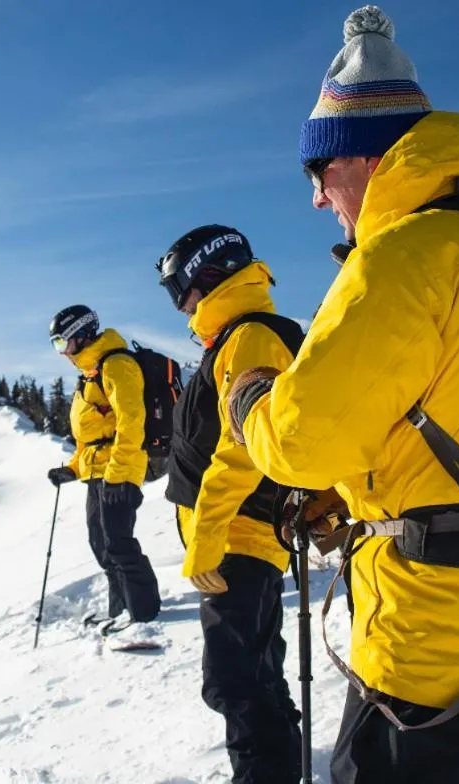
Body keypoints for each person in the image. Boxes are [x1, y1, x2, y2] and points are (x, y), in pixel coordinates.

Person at [225, 5, 459, 783]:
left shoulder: (407, 254)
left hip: (435, 648)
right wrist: (362, 497)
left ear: (363, 158)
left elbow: (300, 443)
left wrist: (250, 399)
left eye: (321, 174)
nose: (320, 200)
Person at [157, 225, 305, 783]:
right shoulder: (234, 338)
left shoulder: (251, 338)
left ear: (207, 275)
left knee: (234, 680)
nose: (180, 306)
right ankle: (276, 769)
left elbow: (240, 452)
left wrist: (209, 536)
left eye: (180, 291)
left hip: (239, 538)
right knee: (255, 674)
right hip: (236, 537)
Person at [45, 305, 161, 624]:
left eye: (62, 343)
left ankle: (143, 613)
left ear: (81, 336)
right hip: (98, 472)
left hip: (119, 470)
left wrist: (119, 475)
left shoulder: (117, 365)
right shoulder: (90, 375)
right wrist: (72, 468)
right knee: (102, 545)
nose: (61, 352)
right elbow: (89, 438)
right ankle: (120, 609)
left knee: (118, 542)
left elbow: (131, 421)